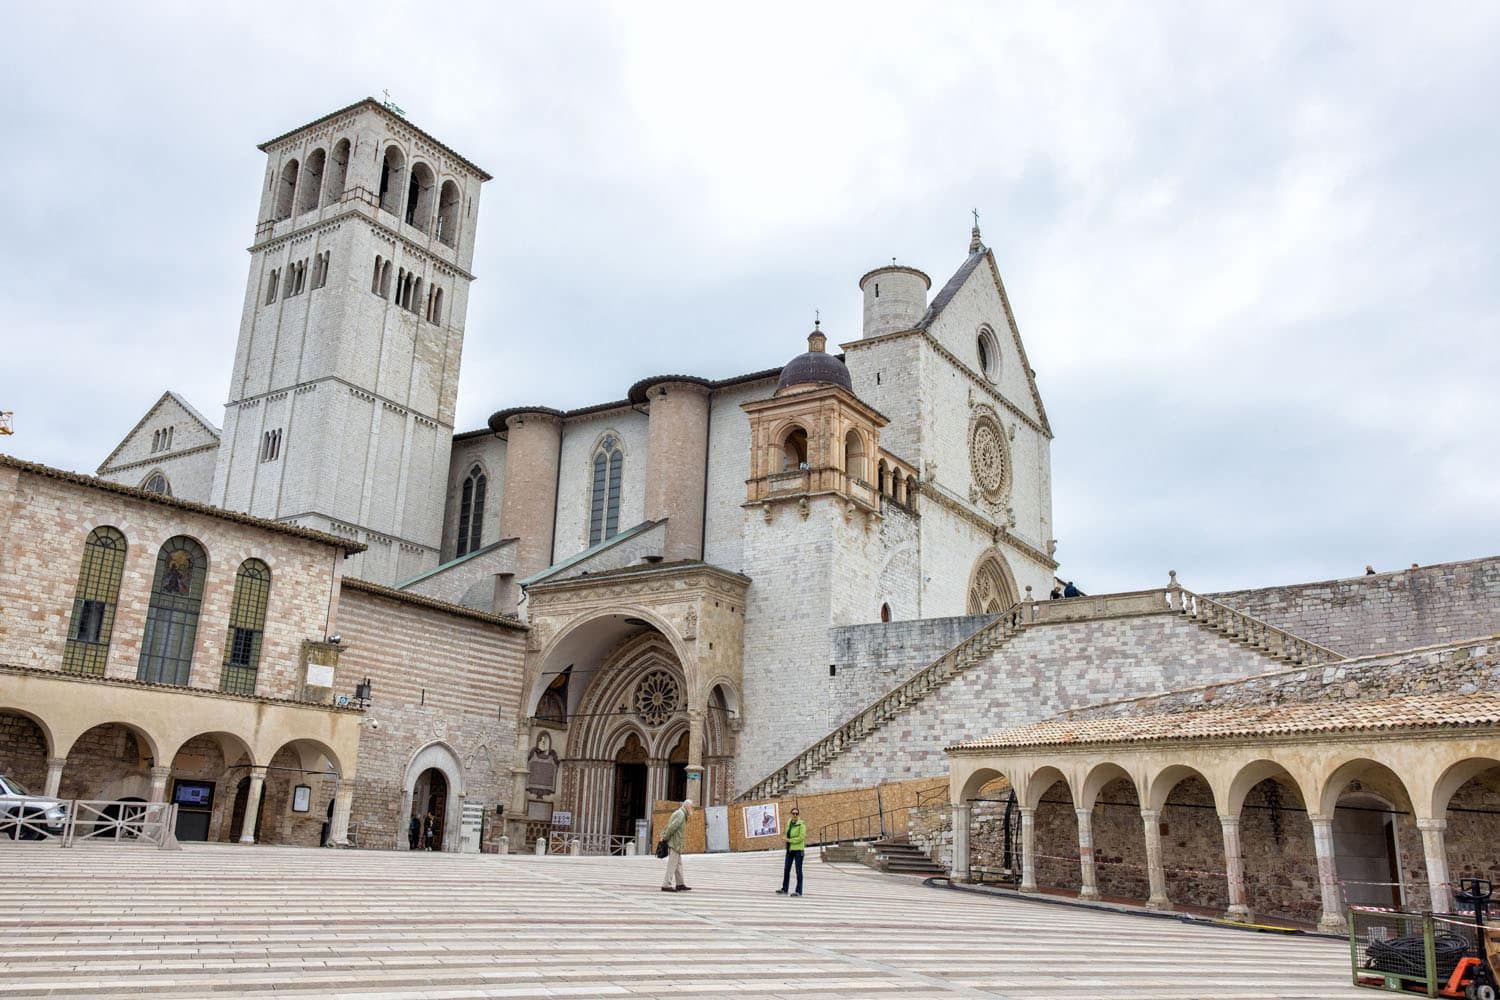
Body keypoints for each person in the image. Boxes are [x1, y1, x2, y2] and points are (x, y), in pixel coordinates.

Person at [660, 798, 693, 892]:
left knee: (678, 865)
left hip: (677, 844)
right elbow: (672, 827)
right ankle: (666, 885)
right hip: (674, 843)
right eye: (691, 807)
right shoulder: (681, 814)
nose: (692, 809)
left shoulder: (681, 814)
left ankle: (680, 884)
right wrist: (665, 838)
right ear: (686, 806)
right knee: (672, 865)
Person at [776, 806, 807, 897]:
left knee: (798, 871)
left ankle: (799, 891)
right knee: (786, 869)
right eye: (793, 813)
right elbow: (787, 833)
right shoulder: (789, 822)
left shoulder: (802, 824)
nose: (795, 815)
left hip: (798, 850)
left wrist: (789, 840)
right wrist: (785, 838)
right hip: (789, 850)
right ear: (791, 814)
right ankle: (784, 889)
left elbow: (801, 837)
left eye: (796, 813)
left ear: (798, 815)